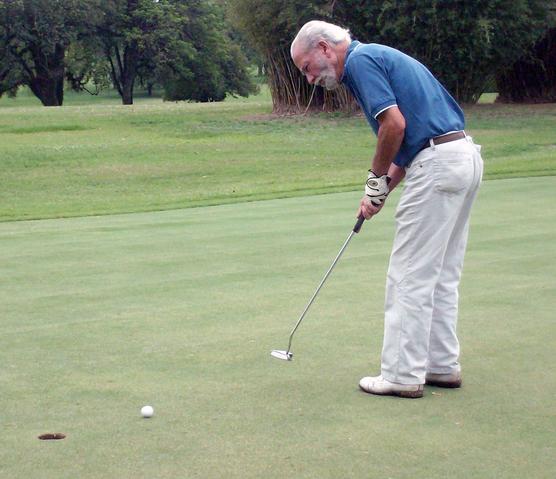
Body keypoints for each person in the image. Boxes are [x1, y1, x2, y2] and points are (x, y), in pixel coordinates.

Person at [290, 20, 483, 398]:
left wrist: (374, 181)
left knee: (409, 275)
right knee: (440, 273)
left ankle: (401, 374)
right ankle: (441, 365)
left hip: (439, 163)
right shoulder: (379, 55)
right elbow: (410, 142)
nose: (309, 78)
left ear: (325, 48)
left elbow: (393, 126)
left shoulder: (360, 62)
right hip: (461, 156)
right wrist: (380, 193)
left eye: (306, 67)